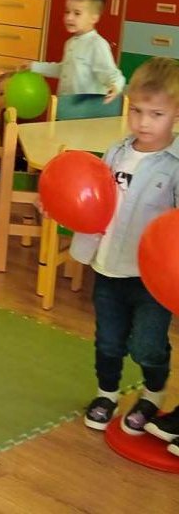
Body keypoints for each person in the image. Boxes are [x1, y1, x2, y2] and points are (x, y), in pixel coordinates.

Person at [73, 57, 179, 439]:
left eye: (156, 114)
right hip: (109, 266)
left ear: (176, 115)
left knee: (146, 345)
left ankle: (152, 394)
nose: (143, 122)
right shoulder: (116, 152)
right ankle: (107, 394)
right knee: (108, 340)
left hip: (152, 278)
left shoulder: (175, 164)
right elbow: (91, 199)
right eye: (136, 110)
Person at [29, 0, 125, 101]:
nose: (69, 17)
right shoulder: (70, 43)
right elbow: (65, 69)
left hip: (86, 108)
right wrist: (33, 67)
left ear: (94, 18)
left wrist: (115, 86)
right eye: (67, 12)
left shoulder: (97, 44)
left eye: (77, 13)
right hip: (66, 105)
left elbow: (111, 73)